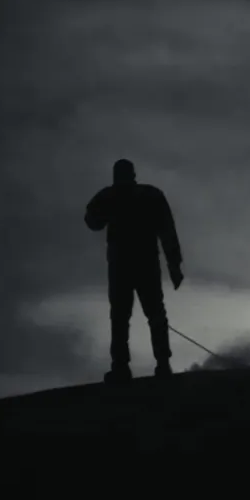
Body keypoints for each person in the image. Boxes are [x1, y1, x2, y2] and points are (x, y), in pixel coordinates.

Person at [85, 159, 184, 383]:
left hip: (125, 265)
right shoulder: (149, 195)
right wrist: (174, 265)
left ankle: (124, 366)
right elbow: (167, 231)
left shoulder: (112, 196)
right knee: (147, 314)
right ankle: (158, 364)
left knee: (124, 316)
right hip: (140, 264)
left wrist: (174, 265)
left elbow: (92, 220)